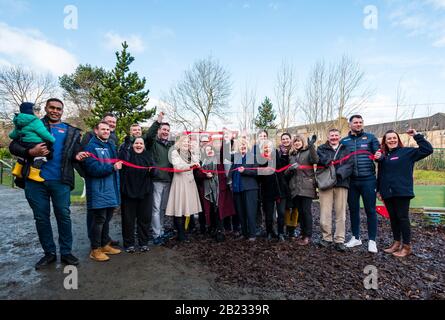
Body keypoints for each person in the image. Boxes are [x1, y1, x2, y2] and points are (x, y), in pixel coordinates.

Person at [9, 98, 88, 269]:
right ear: (46, 108)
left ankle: (66, 252)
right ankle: (49, 253)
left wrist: (78, 155)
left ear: (62, 111)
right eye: (51, 107)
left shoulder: (70, 131)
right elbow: (13, 146)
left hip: (61, 181)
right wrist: (30, 151)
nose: (55, 111)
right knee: (41, 218)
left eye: (58, 108)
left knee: (64, 216)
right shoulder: (32, 123)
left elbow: (76, 152)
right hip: (34, 181)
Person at [375, 129, 433, 257]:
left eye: (394, 138)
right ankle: (396, 243)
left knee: (402, 217)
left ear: (398, 139)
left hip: (402, 192)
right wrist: (378, 190)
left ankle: (406, 247)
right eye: (389, 138)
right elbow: (381, 174)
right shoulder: (384, 157)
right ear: (385, 141)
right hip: (387, 192)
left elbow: (428, 149)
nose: (392, 140)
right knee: (393, 218)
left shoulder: (407, 152)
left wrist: (417, 136)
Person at [83, 121, 122, 262]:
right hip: (98, 190)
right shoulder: (91, 147)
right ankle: (95, 249)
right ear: (96, 130)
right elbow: (92, 169)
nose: (106, 131)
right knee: (99, 220)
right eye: (103, 129)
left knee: (107, 219)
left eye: (108, 129)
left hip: (111, 189)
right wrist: (112, 167)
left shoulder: (111, 145)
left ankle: (105, 244)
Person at [340, 115, 380, 253]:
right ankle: (356, 237)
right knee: (353, 210)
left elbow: (379, 153)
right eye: (355, 122)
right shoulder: (344, 141)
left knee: (370, 210)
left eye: (360, 122)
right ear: (350, 124)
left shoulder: (370, 138)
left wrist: (379, 155)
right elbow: (339, 160)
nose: (358, 124)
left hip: (368, 179)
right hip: (351, 181)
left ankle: (372, 241)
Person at [317, 129, 353, 252]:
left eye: (336, 135)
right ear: (328, 136)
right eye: (331, 135)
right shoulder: (321, 148)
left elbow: (350, 164)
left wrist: (338, 173)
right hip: (326, 183)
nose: (333, 137)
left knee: (340, 214)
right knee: (325, 213)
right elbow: (322, 160)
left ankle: (339, 239)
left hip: (341, 183)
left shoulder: (346, 149)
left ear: (339, 136)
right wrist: (331, 168)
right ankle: (326, 238)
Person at [119, 137, 155, 253]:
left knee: (144, 218)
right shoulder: (126, 155)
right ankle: (129, 244)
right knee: (128, 219)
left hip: (145, 192)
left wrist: (152, 170)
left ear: (144, 146)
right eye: (136, 143)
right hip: (129, 192)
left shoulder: (148, 156)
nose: (138, 145)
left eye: (141, 143)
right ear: (132, 145)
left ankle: (143, 243)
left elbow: (155, 172)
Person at [143, 112, 174, 245]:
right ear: (159, 130)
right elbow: (149, 135)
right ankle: (156, 234)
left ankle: (161, 230)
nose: (165, 132)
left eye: (167, 130)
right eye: (163, 129)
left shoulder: (170, 146)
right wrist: (158, 121)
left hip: (168, 180)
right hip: (156, 180)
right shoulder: (153, 143)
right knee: (155, 208)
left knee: (162, 208)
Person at [195, 144, 236, 242]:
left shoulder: (219, 160)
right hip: (208, 191)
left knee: (219, 211)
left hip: (220, 190)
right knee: (210, 211)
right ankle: (212, 229)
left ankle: (220, 231)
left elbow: (224, 150)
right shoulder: (202, 162)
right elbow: (198, 174)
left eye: (211, 149)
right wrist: (205, 175)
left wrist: (226, 140)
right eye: (207, 149)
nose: (209, 151)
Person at [165, 135, 202, 242]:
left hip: (190, 183)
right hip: (180, 183)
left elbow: (197, 162)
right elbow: (177, 167)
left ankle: (187, 231)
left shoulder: (191, 154)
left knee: (187, 208)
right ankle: (181, 234)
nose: (186, 143)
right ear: (180, 143)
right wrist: (190, 166)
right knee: (179, 208)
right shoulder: (175, 153)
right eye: (184, 142)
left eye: (188, 142)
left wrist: (194, 151)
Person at [285, 134, 318, 246]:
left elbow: (315, 160)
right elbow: (286, 173)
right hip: (295, 188)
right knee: (300, 213)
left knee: (306, 211)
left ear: (302, 142)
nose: (297, 143)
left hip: (307, 186)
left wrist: (311, 146)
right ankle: (303, 233)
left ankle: (307, 236)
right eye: (295, 141)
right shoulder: (292, 155)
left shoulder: (308, 152)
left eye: (299, 141)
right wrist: (289, 169)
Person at [9, 102, 55, 182]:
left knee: (22, 156)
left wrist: (12, 136)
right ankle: (34, 173)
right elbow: (43, 132)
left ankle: (17, 169)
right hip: (34, 143)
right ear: (31, 111)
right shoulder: (35, 121)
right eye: (36, 111)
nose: (38, 113)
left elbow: (13, 134)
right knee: (40, 156)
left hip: (23, 142)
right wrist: (52, 139)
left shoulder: (19, 122)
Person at [258, 139, 288, 242]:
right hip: (267, 191)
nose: (267, 149)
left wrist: (284, 154)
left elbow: (284, 165)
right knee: (269, 214)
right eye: (265, 147)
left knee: (281, 213)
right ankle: (269, 232)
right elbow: (258, 176)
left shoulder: (278, 157)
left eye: (269, 147)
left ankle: (281, 233)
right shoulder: (260, 160)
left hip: (280, 190)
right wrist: (263, 171)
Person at [230, 138, 259, 241]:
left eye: (244, 145)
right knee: (240, 212)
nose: (242, 147)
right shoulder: (236, 158)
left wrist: (245, 171)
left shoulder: (252, 157)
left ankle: (252, 234)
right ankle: (244, 233)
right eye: (241, 145)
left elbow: (256, 172)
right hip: (237, 189)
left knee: (250, 212)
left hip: (250, 189)